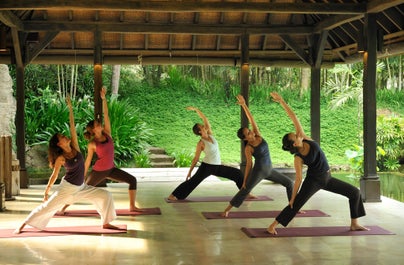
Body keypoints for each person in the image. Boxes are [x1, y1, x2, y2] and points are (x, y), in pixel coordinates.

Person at [267, 92, 368, 235]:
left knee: (354, 192)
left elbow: (293, 117)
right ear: (295, 143)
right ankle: (272, 225)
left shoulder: (305, 138)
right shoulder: (298, 158)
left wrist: (282, 101)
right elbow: (298, 179)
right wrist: (293, 197)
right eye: (295, 136)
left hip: (328, 178)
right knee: (295, 205)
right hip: (313, 181)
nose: (297, 135)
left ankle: (354, 223)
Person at [15, 96, 119, 234]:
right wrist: (47, 191)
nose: (65, 137)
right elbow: (55, 175)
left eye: (64, 135)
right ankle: (23, 225)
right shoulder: (61, 158)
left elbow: (72, 126)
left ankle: (106, 223)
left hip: (81, 187)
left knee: (106, 195)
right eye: (62, 137)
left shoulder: (74, 147)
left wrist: (70, 108)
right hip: (66, 189)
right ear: (59, 144)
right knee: (46, 207)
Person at [62, 87, 140, 213]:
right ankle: (63, 207)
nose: (100, 124)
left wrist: (104, 99)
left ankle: (132, 206)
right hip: (98, 172)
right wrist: (82, 175)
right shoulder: (92, 144)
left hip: (111, 169)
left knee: (132, 180)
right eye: (97, 124)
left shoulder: (107, 134)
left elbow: (106, 115)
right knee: (82, 190)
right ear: (93, 130)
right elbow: (87, 161)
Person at [222, 95, 294, 217]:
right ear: (245, 138)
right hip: (259, 171)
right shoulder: (248, 148)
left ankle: (293, 206)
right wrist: (245, 180)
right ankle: (227, 209)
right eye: (248, 133)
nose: (251, 132)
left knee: (289, 183)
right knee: (245, 190)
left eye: (249, 130)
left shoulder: (258, 136)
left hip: (270, 170)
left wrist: (244, 105)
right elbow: (249, 165)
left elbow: (252, 119)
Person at [168, 106, 247, 200]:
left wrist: (196, 110)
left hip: (217, 166)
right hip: (207, 167)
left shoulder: (210, 134)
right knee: (193, 181)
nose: (203, 125)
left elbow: (205, 119)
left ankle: (245, 193)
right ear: (200, 131)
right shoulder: (201, 143)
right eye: (201, 126)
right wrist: (190, 171)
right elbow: (196, 158)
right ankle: (173, 195)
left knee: (237, 173)